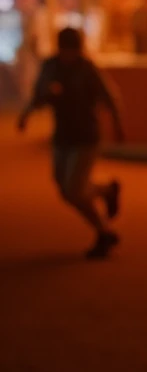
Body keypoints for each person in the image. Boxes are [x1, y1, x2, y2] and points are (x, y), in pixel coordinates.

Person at [17, 26, 124, 259]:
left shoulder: (87, 69)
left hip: (86, 136)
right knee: (65, 188)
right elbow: (38, 94)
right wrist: (26, 114)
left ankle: (103, 231)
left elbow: (109, 96)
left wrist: (117, 124)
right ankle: (106, 190)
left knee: (74, 190)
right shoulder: (51, 67)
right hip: (62, 135)